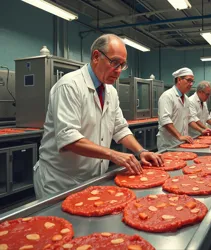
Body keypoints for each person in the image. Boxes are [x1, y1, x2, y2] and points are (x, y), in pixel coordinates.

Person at [33, 34, 163, 199]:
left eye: (122, 65)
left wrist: (141, 151)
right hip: (60, 181)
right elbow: (68, 138)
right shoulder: (70, 86)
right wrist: (113, 154)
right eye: (114, 63)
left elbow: (120, 128)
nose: (118, 71)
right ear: (96, 56)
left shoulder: (110, 91)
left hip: (91, 179)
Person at [157, 67, 211, 151]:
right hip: (169, 143)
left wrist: (201, 130)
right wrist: (179, 136)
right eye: (188, 80)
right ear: (179, 80)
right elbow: (165, 119)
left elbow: (190, 118)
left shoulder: (186, 98)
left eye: (192, 81)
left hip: (181, 142)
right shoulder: (167, 96)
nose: (191, 84)